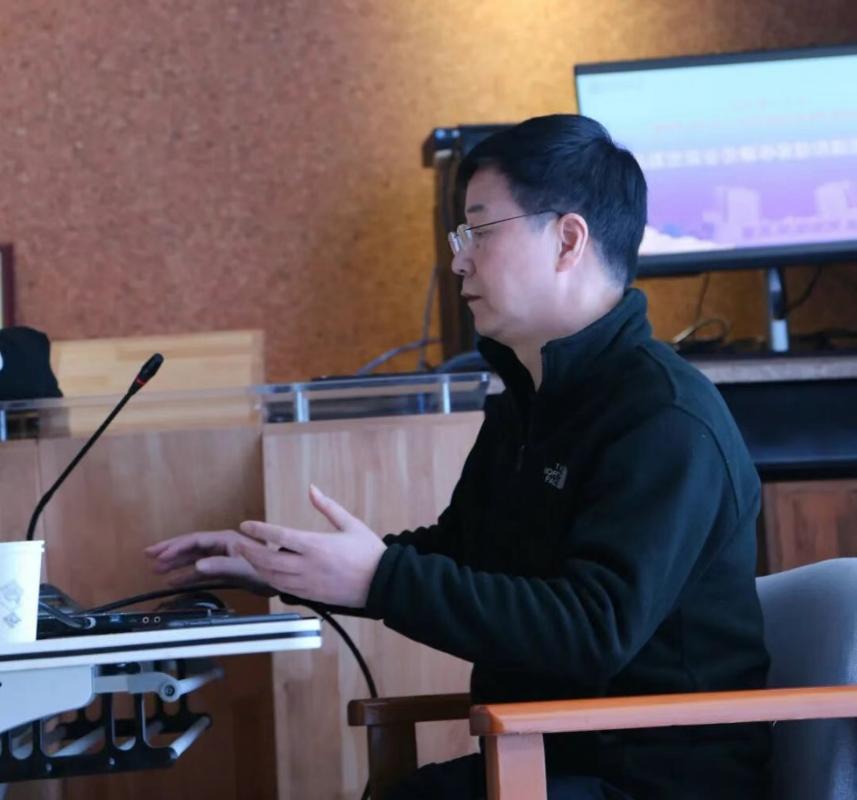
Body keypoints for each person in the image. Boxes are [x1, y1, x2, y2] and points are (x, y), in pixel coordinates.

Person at [146, 114, 771, 799]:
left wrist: (377, 579)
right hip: (542, 760)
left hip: (655, 780)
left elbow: (592, 630)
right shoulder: (530, 402)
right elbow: (461, 553)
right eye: (460, 237)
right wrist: (287, 566)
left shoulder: (664, 418)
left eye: (480, 231)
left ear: (567, 240)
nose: (459, 261)